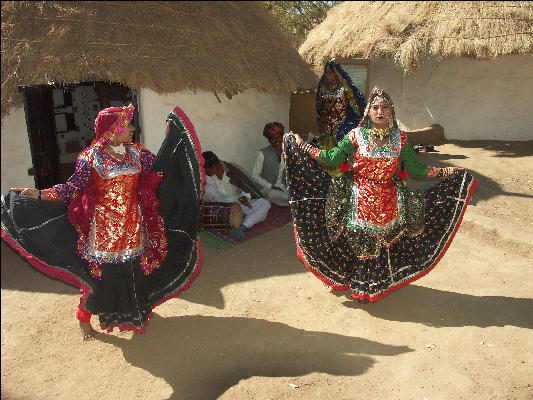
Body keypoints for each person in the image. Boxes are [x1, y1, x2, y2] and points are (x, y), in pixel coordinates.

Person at [2, 104, 205, 339]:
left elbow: (161, 169)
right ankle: (83, 318)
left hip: (134, 228)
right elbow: (71, 188)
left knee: (134, 273)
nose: (131, 128)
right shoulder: (90, 158)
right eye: (126, 125)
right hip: (104, 235)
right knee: (97, 283)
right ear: (113, 130)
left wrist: (173, 139)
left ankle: (132, 311)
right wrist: (37, 194)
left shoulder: (137, 153)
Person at [283, 86, 478, 302]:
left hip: (389, 199)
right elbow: (331, 159)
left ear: (391, 112)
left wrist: (449, 172)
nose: (380, 112)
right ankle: (358, 284)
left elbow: (417, 170)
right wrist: (301, 145)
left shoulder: (400, 139)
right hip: (360, 198)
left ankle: (373, 286)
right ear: (368, 112)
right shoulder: (355, 136)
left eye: (385, 107)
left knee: (386, 244)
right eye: (375, 107)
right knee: (360, 245)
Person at [202, 150, 271, 241]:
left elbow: (246, 188)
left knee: (265, 203)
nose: (204, 172)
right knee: (209, 189)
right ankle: (232, 222)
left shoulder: (232, 171)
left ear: (214, 167)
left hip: (239, 205)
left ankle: (241, 227)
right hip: (222, 210)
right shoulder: (207, 178)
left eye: (205, 170)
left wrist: (245, 197)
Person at [315, 61, 367, 177]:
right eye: (326, 73)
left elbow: (356, 107)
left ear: (336, 73)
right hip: (326, 127)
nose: (327, 75)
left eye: (330, 73)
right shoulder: (322, 87)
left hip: (341, 127)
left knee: (340, 155)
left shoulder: (345, 87)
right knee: (325, 153)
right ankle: (326, 177)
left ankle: (340, 178)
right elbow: (319, 106)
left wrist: (351, 124)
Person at [251, 122, 290, 207]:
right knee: (274, 195)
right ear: (269, 140)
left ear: (283, 137)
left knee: (297, 193)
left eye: (279, 137)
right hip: (267, 189)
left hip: (282, 187)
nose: (276, 140)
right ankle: (292, 203)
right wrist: (270, 186)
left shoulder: (287, 152)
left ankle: (289, 202)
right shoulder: (262, 153)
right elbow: (254, 176)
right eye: (273, 138)